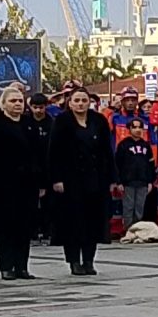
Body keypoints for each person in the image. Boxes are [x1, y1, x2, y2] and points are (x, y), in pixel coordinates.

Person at [45, 88, 118, 275]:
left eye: (84, 100)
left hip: (95, 179)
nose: (80, 104)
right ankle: (74, 261)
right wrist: (56, 178)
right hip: (71, 180)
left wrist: (112, 178)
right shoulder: (62, 121)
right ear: (70, 102)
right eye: (76, 100)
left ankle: (89, 260)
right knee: (73, 221)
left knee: (93, 221)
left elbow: (106, 152)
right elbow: (54, 152)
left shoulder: (99, 120)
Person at [0, 84, 45, 279]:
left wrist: (41, 181)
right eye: (12, 101)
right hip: (4, 183)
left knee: (24, 226)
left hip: (28, 182)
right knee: (6, 226)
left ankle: (22, 266)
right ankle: (7, 266)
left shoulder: (28, 123)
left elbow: (39, 153)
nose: (17, 104)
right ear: (3, 103)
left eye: (19, 101)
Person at [115, 121, 158, 229]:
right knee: (128, 207)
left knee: (140, 208)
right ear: (129, 129)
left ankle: (138, 230)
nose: (138, 130)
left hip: (143, 182)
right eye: (135, 127)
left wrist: (150, 181)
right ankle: (128, 230)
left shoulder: (146, 145)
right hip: (128, 182)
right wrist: (119, 181)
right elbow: (117, 164)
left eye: (140, 127)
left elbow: (150, 165)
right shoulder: (123, 145)